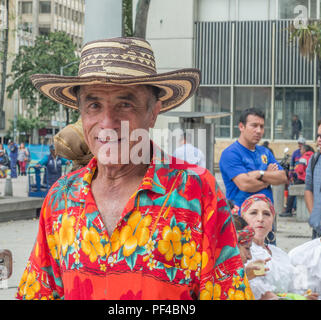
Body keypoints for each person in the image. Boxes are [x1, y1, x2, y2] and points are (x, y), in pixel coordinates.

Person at [16, 37, 251, 300]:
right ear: (82, 114)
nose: (108, 122)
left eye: (125, 104)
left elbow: (227, 291)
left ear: (153, 113)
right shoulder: (60, 198)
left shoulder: (196, 191)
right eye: (94, 105)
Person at [240, 194, 318, 300]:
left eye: (266, 214)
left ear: (272, 222)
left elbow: (295, 286)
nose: (260, 219)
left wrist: (303, 296)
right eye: (253, 213)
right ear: (243, 218)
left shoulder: (279, 253)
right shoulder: (241, 253)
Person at [219, 108, 287, 216]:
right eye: (254, 125)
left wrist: (258, 174)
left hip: (266, 218)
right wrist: (268, 176)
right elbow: (245, 184)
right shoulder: (231, 153)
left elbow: (282, 177)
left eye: (261, 126)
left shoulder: (265, 152)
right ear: (241, 126)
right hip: (242, 220)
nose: (259, 131)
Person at [280, 141, 313, 217]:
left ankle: (288, 211)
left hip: (301, 179)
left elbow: (300, 170)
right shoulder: (313, 156)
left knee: (291, 192)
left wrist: (296, 170)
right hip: (310, 180)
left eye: (301, 149)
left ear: (305, 150)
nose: (300, 151)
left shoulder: (303, 158)